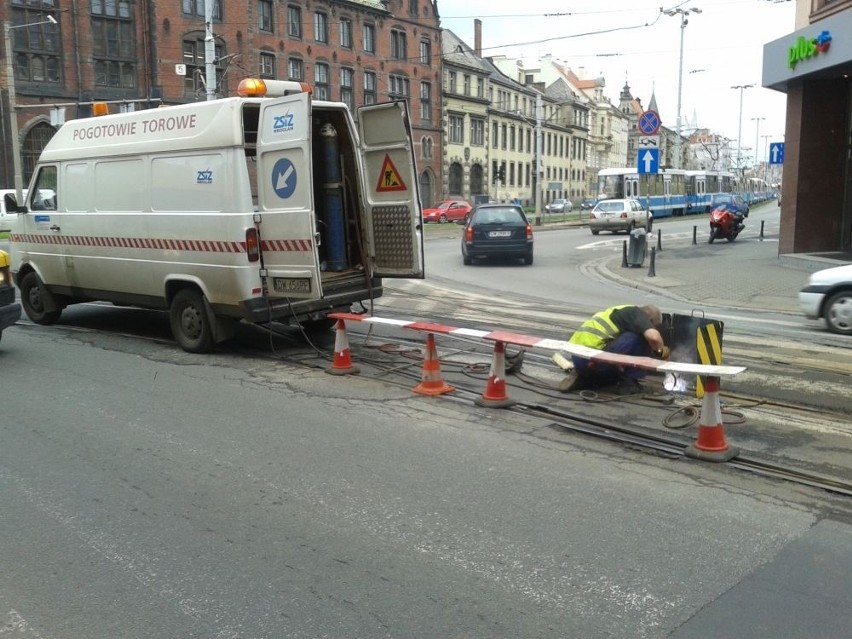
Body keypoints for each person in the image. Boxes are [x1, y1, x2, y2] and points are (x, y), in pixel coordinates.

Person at [559, 304, 668, 394]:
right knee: (640, 337)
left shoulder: (619, 311)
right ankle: (629, 383)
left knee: (613, 378)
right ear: (649, 319)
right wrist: (660, 351)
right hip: (593, 360)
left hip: (578, 359)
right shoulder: (637, 315)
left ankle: (586, 379)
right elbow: (654, 337)